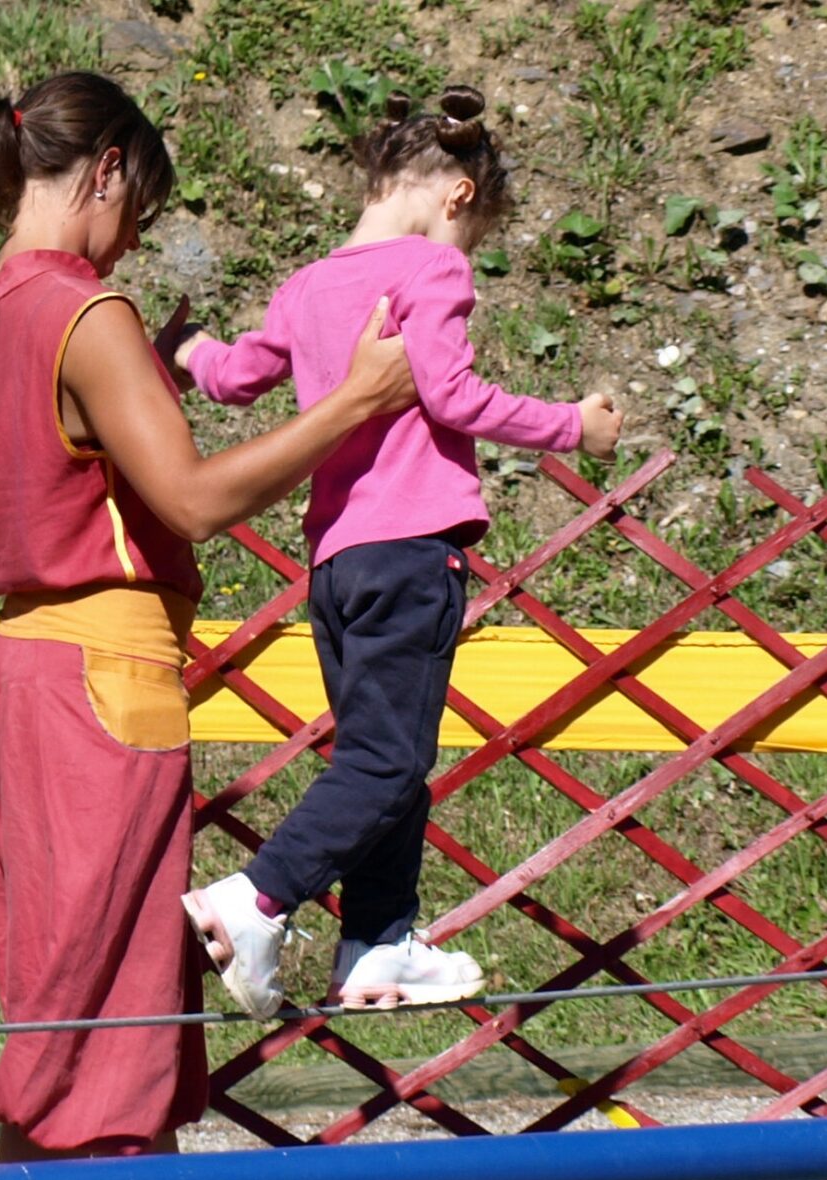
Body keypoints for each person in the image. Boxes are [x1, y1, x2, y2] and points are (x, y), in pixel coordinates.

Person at [0, 71, 418, 1180]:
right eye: (136, 208)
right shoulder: (86, 313)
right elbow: (193, 498)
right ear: (102, 176)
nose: (135, 239)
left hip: (25, 672)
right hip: (102, 684)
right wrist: (355, 402)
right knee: (85, 1013)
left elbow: (58, 461)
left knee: (122, 1001)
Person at [175, 86, 624, 1017]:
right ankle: (255, 900)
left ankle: (377, 942)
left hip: (336, 565)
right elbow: (452, 397)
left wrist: (182, 351)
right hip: (411, 552)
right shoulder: (433, 272)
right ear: (458, 195)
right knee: (385, 763)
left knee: (386, 760)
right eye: (476, 232)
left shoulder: (304, 286)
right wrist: (571, 426)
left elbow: (232, 379)